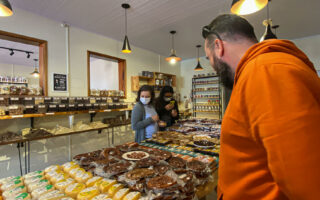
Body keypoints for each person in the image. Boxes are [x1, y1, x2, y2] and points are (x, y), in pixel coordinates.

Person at [202, 14, 320, 200]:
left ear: (218, 46)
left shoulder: (265, 71)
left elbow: (307, 184)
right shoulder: (258, 71)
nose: (212, 66)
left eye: (209, 58)